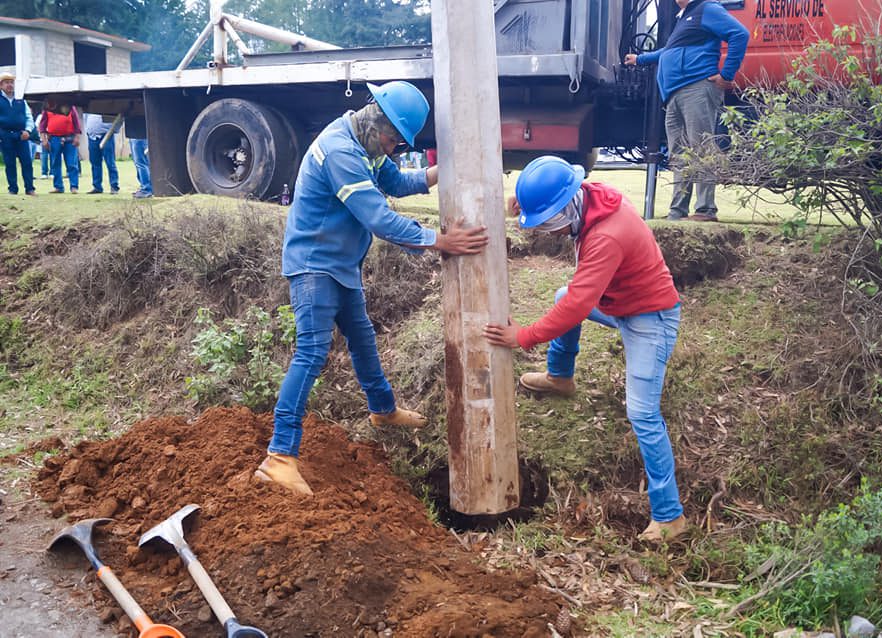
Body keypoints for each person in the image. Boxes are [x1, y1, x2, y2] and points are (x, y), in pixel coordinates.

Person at [255, 81, 489, 495]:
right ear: (376, 121)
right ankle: (279, 456)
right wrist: (440, 240)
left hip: (340, 264)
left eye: (399, 144)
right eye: (393, 141)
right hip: (313, 265)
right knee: (311, 352)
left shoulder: (365, 142)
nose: (394, 149)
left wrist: (447, 170)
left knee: (362, 339)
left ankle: (382, 410)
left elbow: (398, 183)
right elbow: (379, 218)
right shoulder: (342, 152)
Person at [483, 156, 686, 542]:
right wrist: (528, 202)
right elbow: (572, 296)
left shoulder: (607, 235)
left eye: (548, 221)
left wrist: (523, 336)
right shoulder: (588, 198)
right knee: (563, 294)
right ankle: (560, 377)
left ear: (566, 206)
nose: (548, 230)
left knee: (642, 412)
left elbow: (577, 305)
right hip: (620, 306)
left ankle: (670, 515)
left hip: (650, 320)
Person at [624, 0, 748, 222]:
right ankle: (677, 212)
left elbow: (740, 34)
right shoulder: (685, 17)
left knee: (701, 147)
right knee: (680, 154)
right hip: (674, 94)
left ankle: (705, 210)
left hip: (697, 87)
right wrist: (640, 59)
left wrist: (727, 75)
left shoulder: (707, 9)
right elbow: (670, 51)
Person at [0, 73, 36, 196]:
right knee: (9, 163)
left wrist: (28, 130)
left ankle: (30, 188)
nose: (10, 85)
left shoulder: (21, 99)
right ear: (1, 85)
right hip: (5, 135)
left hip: (21, 135)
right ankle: (13, 189)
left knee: (26, 162)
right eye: (6, 82)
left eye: (11, 82)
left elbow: (28, 117)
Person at [38, 98, 81, 194]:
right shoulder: (48, 107)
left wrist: (77, 137)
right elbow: (42, 126)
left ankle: (74, 187)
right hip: (54, 138)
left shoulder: (70, 107)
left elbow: (76, 124)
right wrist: (44, 140)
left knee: (72, 163)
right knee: (55, 163)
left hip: (69, 138)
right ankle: (58, 187)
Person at [83, 113, 119, 194]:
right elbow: (85, 118)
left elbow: (117, 119)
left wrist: (113, 130)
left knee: (110, 162)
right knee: (95, 163)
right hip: (92, 137)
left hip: (106, 136)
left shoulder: (105, 107)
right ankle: (97, 186)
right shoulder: (90, 108)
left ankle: (114, 186)